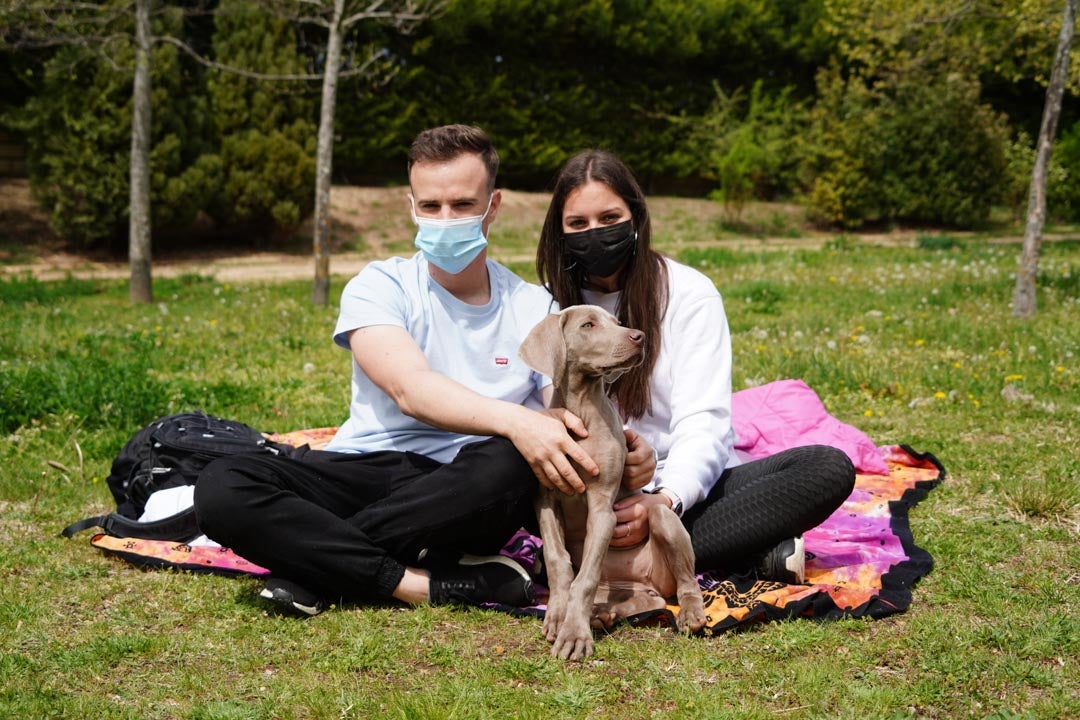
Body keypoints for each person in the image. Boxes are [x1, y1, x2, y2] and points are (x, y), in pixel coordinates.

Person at [194, 126, 656, 616]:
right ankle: (422, 584)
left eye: (462, 205)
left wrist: (626, 449)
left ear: (492, 206)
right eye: (430, 206)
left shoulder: (530, 306)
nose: (445, 219)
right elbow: (410, 390)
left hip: (468, 492)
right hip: (367, 467)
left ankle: (314, 563)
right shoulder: (379, 285)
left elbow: (563, 415)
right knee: (223, 486)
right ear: (411, 205)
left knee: (508, 463)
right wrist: (516, 420)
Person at [535, 149, 856, 583]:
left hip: (676, 491)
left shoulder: (688, 294)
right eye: (578, 225)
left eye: (610, 218)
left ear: (636, 218)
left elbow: (703, 423)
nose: (595, 234)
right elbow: (536, 405)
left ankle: (642, 559)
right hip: (580, 493)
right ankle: (732, 554)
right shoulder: (551, 310)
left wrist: (664, 499)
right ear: (560, 232)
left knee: (825, 468)